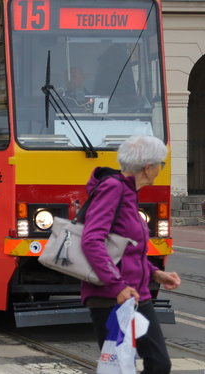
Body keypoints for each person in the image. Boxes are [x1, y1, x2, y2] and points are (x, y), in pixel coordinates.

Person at [82, 135, 181, 374]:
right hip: (111, 298)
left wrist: (155, 273)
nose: (160, 169)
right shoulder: (113, 189)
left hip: (137, 296)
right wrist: (117, 287)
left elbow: (126, 249)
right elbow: (91, 240)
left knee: (158, 363)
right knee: (118, 367)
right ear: (149, 167)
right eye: (161, 165)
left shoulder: (129, 192)